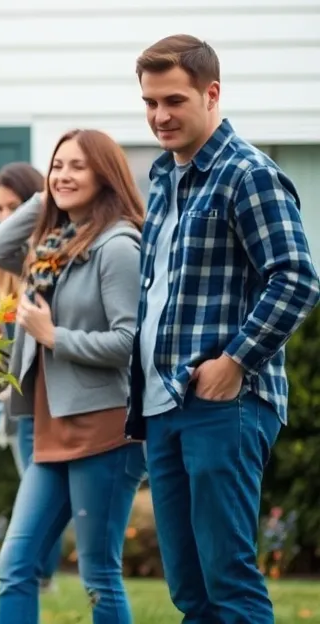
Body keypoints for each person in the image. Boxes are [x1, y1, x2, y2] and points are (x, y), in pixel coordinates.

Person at [128, 34, 319, 623]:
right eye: (150, 102)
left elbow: (296, 278)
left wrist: (235, 361)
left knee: (229, 581)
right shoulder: (164, 180)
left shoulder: (247, 174)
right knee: (190, 590)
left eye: (175, 100)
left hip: (223, 404)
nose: (160, 115)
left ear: (212, 94)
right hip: (163, 407)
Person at [0, 130, 148, 624]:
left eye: (78, 166)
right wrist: (47, 193)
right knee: (15, 563)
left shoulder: (118, 247)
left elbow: (130, 343)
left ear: (105, 174)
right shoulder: (51, 247)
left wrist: (54, 337)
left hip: (105, 432)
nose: (63, 175)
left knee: (98, 573)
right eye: (58, 165)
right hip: (51, 429)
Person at [0, 162, 66, 591]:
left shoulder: (48, 256)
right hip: (15, 402)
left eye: (12, 207)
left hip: (51, 397)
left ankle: (39, 574)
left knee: (42, 492)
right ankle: (36, 573)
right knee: (31, 488)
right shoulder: (1, 272)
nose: (4, 217)